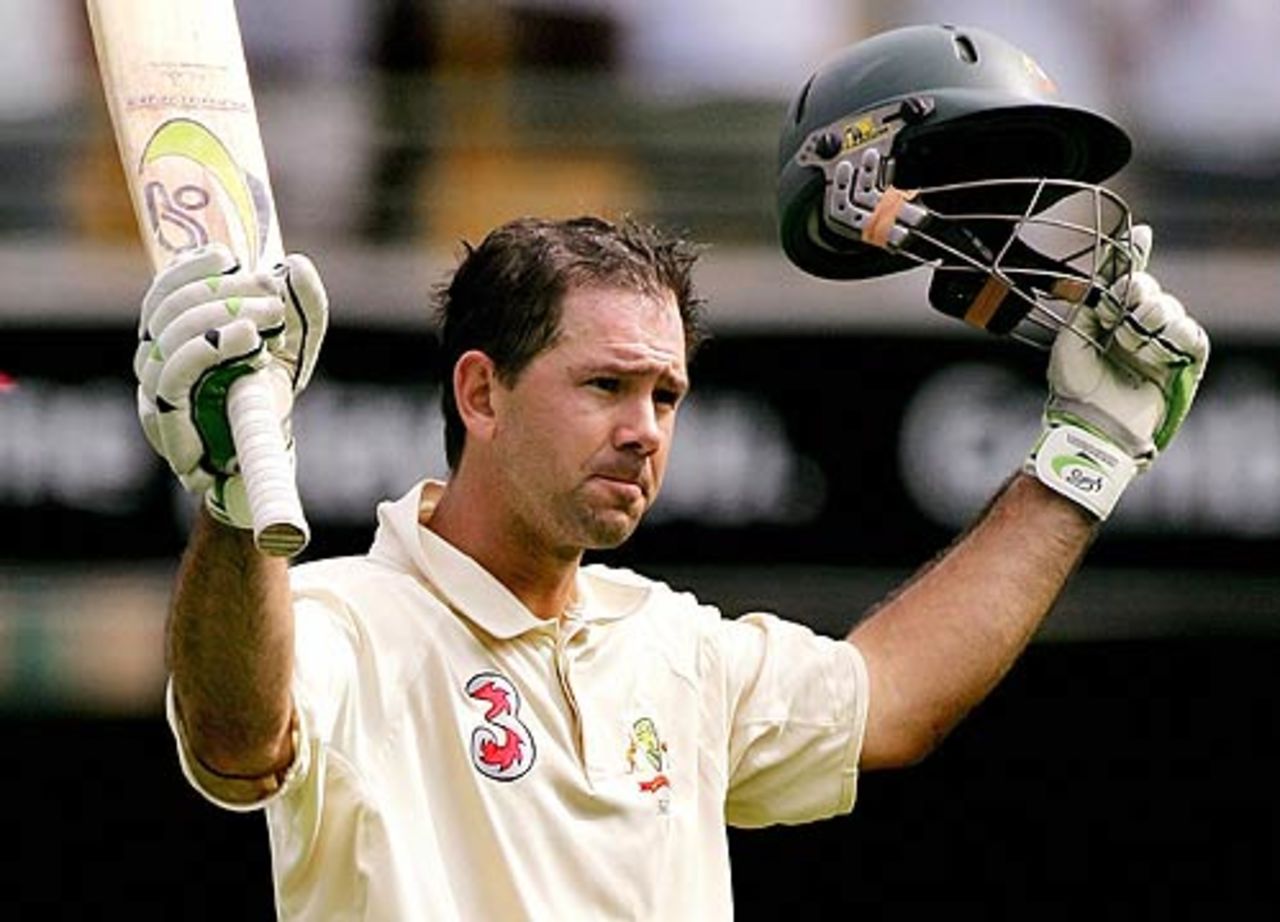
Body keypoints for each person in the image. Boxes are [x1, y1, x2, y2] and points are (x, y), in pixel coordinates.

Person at [137, 31, 1210, 922]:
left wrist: (1086, 453)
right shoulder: (338, 620)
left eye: (665, 394)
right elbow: (241, 741)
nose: (644, 429)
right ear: (481, 394)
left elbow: (886, 702)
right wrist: (233, 512)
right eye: (604, 384)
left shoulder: (673, 646)